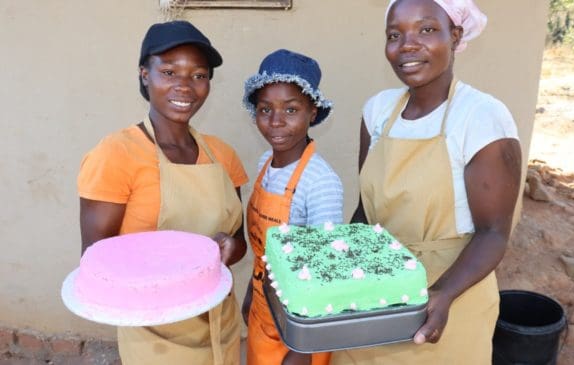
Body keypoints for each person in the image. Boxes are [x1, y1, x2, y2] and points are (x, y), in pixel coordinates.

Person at [330, 0, 522, 364]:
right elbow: (364, 210)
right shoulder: (377, 111)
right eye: (394, 34)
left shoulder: (481, 117)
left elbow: (494, 232)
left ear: (456, 35)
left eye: (427, 29)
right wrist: (339, 272)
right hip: (375, 289)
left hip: (450, 296)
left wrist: (443, 294)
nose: (408, 44)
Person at [77, 20, 247, 365]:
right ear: (144, 75)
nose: (185, 86)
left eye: (199, 75)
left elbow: (239, 240)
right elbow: (96, 260)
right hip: (154, 335)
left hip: (220, 324)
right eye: (169, 72)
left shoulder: (223, 155)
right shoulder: (116, 154)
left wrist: (230, 248)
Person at [241, 49, 343, 365]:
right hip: (263, 310)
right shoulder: (263, 165)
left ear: (312, 112)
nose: (276, 122)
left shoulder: (320, 182)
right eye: (265, 109)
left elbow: (328, 273)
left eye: (291, 110)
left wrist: (303, 349)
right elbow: (263, 250)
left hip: (302, 324)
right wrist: (250, 293)